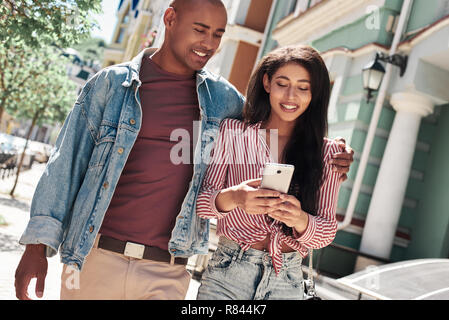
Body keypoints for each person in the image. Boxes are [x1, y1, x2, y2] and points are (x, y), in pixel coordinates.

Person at [14, 0, 353, 300]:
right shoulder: (111, 85)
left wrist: (334, 157)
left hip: (169, 270)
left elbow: (276, 125)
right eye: (200, 29)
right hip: (96, 256)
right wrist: (36, 247)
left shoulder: (224, 102)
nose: (208, 43)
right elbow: (66, 163)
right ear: (170, 18)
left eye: (218, 34)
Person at [196, 45, 343, 300]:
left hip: (287, 282)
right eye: (282, 83)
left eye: (303, 87)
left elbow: (327, 230)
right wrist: (236, 198)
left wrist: (299, 219)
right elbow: (201, 204)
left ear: (314, 93)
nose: (290, 96)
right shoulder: (233, 133)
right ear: (267, 83)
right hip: (228, 273)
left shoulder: (329, 153)